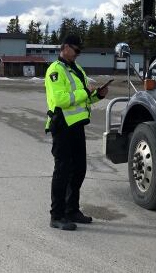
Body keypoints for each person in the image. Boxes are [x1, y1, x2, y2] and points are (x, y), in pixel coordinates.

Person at [44, 34, 108, 230]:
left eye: (80, 50)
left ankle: (72, 210)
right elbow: (62, 99)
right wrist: (85, 93)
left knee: (79, 169)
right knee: (62, 171)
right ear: (64, 47)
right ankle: (57, 215)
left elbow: (82, 100)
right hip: (62, 125)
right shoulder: (55, 70)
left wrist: (97, 95)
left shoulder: (77, 69)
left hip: (77, 125)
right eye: (76, 49)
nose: (78, 53)